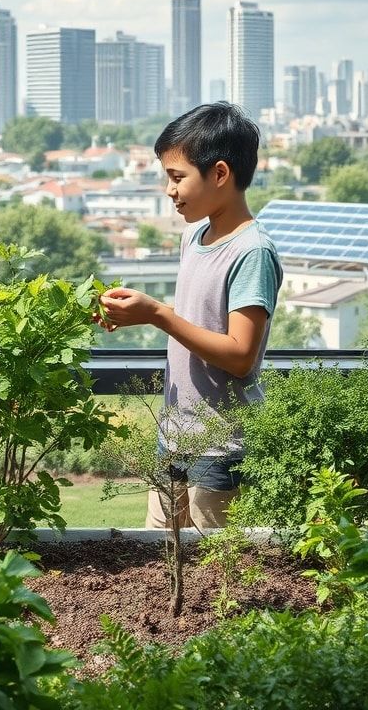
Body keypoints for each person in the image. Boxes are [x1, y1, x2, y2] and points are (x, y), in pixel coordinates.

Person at [100, 102, 283, 529]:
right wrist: (136, 313)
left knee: (213, 576)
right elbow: (194, 323)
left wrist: (158, 315)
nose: (169, 190)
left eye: (177, 177)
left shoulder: (252, 252)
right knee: (161, 560)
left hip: (221, 445)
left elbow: (240, 356)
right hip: (174, 436)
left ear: (220, 174)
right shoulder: (193, 236)